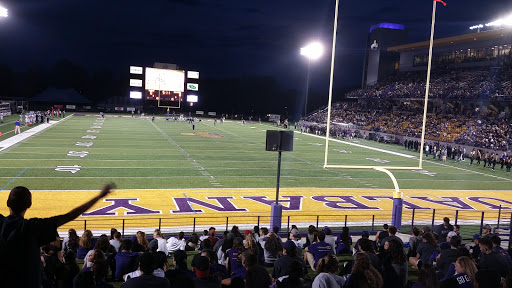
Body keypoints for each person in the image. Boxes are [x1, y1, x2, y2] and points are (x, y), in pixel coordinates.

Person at [0, 183, 115, 288]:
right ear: (29, 204)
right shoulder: (32, 227)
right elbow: (70, 215)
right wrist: (99, 196)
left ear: (7, 203)